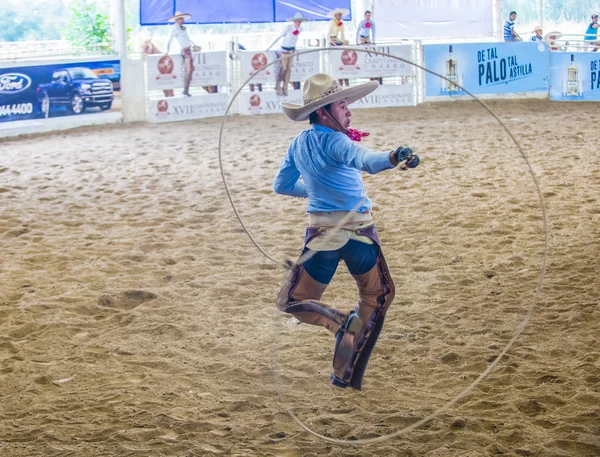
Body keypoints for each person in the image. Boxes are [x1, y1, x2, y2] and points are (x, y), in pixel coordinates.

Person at [273, 73, 420, 390]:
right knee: (377, 295)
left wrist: (313, 193)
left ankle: (338, 323)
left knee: (291, 301)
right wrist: (395, 156)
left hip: (322, 236)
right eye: (342, 105)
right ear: (324, 111)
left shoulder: (298, 144)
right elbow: (365, 159)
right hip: (360, 235)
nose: (349, 111)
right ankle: (345, 372)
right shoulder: (339, 141)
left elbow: (281, 186)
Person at [267, 12, 309, 96]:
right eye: (297, 21)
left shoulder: (300, 29)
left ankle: (285, 86)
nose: (298, 23)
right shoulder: (288, 28)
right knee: (284, 68)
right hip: (284, 50)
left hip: (291, 50)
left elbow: (294, 40)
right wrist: (269, 47)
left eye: (299, 22)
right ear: (294, 21)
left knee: (289, 69)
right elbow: (279, 37)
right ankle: (278, 85)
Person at [166, 11, 197, 96]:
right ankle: (186, 88)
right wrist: (167, 51)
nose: (182, 20)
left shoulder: (182, 28)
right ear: (177, 20)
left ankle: (186, 88)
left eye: (182, 18)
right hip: (185, 50)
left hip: (188, 49)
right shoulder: (175, 28)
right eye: (180, 18)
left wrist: (194, 45)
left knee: (191, 69)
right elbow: (170, 39)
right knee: (189, 69)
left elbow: (187, 39)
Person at [356, 11, 382, 85]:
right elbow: (358, 31)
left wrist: (373, 41)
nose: (368, 16)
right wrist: (356, 41)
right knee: (362, 51)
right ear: (364, 16)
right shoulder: (361, 23)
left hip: (368, 38)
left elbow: (373, 31)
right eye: (367, 15)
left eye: (369, 15)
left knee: (369, 51)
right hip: (361, 37)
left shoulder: (372, 23)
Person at [328, 7, 350, 87]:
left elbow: (342, 33)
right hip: (332, 39)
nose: (339, 16)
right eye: (337, 15)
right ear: (335, 16)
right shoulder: (332, 22)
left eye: (340, 15)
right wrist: (330, 41)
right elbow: (328, 33)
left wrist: (343, 41)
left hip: (337, 39)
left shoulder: (342, 22)